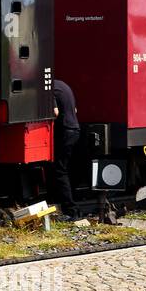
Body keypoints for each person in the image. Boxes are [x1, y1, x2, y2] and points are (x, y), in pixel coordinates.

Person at [50, 79, 81, 215]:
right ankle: (71, 201)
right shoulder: (63, 85)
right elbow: (75, 109)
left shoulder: (48, 89)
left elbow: (55, 112)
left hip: (65, 131)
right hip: (75, 129)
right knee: (67, 168)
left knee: (59, 170)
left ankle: (70, 209)